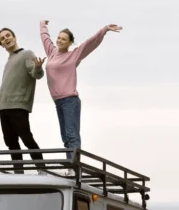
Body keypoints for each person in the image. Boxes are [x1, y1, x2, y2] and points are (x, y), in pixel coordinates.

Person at [40, 19, 122, 158]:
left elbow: (90, 44)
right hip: (58, 102)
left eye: (64, 39)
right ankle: (70, 165)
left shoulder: (73, 55)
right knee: (65, 137)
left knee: (72, 135)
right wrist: (43, 25)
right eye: (58, 38)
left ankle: (74, 168)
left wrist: (104, 29)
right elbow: (45, 39)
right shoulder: (52, 53)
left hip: (70, 100)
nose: (59, 41)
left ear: (70, 43)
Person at [0, 27, 46, 174]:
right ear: (2, 45)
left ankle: (42, 170)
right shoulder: (9, 60)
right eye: (3, 39)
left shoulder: (27, 54)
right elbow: (7, 87)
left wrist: (38, 67)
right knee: (11, 143)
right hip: (3, 107)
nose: (6, 39)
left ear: (14, 37)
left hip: (18, 105)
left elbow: (36, 75)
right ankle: (19, 173)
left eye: (8, 35)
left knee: (27, 139)